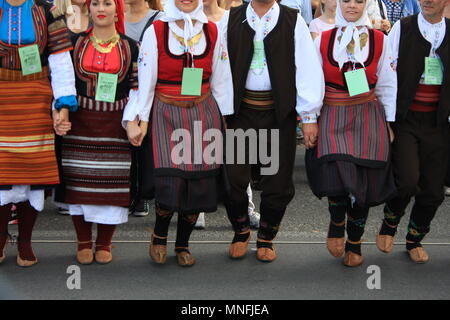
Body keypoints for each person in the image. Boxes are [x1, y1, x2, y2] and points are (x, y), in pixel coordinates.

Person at [225, 0, 324, 263]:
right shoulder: (232, 18)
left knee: (277, 181)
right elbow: (220, 66)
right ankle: (241, 230)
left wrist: (309, 116)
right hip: (241, 112)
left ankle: (267, 237)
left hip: (278, 113)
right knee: (233, 176)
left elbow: (307, 69)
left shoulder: (293, 20)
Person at [136, 0, 233, 266]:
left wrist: (225, 118)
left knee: (199, 184)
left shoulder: (212, 31)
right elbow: (146, 80)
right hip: (167, 114)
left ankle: (183, 244)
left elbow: (222, 78)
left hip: (203, 113)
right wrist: (141, 118)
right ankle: (159, 235)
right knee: (171, 182)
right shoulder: (156, 31)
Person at [305, 0, 397, 267]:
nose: (352, 6)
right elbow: (312, 81)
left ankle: (354, 240)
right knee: (337, 171)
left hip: (367, 113)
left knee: (364, 181)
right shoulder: (322, 39)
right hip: (333, 112)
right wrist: (309, 118)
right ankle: (337, 220)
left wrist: (389, 122)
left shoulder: (380, 40)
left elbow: (388, 84)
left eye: (359, 1)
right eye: (346, 0)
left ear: (366, 4)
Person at [55, 0, 142, 265]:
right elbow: (63, 81)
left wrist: (134, 122)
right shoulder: (75, 43)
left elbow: (137, 88)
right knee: (78, 182)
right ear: (89, 9)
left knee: (112, 186)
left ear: (118, 9)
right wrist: (61, 114)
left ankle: (104, 241)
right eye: (95, 3)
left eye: (107, 3)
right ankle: (83, 240)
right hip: (81, 122)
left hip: (116, 123)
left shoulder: (131, 46)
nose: (101, 8)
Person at [0, 0, 76, 267]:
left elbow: (61, 62)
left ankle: (24, 242)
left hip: (36, 97)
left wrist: (63, 105)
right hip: (1, 99)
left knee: (32, 174)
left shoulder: (48, 11)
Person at [376, 0, 449, 264]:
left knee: (433, 191)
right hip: (406, 120)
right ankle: (390, 221)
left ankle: (414, 238)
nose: (427, 1)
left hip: (439, 123)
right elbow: (387, 71)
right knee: (407, 180)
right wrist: (386, 119)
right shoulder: (402, 28)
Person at [194, 0, 261, 230]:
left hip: (231, 89)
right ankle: (198, 208)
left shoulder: (232, 17)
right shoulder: (188, 19)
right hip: (199, 90)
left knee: (237, 153)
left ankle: (247, 208)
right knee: (200, 150)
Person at [124, 0, 163, 218]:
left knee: (144, 144)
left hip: (148, 86)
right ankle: (126, 192)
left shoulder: (157, 18)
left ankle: (143, 194)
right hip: (122, 86)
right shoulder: (116, 16)